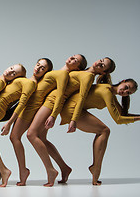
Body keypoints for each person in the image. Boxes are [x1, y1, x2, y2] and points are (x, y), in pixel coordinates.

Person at [28, 57, 115, 186]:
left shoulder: (89, 76)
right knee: (41, 138)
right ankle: (64, 168)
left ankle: (51, 170)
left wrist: (72, 119)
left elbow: (81, 98)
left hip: (53, 102)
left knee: (31, 134)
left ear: (103, 73)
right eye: (101, 60)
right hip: (50, 99)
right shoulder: (83, 71)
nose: (99, 63)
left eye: (102, 66)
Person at [58, 79, 140, 185]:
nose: (124, 92)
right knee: (104, 131)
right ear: (122, 81)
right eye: (126, 87)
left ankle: (95, 167)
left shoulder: (109, 91)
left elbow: (122, 116)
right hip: (71, 110)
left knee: (103, 131)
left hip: (74, 109)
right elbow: (118, 119)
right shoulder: (107, 92)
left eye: (128, 93)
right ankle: (96, 167)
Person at [5, 56, 81, 186]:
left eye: (42, 68)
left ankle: (35, 170)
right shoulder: (46, 76)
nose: (38, 68)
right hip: (31, 108)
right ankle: (63, 167)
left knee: (16, 137)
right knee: (41, 139)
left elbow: (60, 95)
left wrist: (53, 115)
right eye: (38, 64)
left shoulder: (62, 74)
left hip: (31, 109)